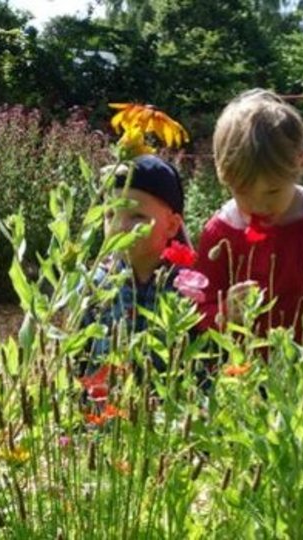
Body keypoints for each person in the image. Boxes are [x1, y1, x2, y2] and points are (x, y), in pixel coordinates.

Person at [193, 89, 303, 346]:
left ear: (301, 163)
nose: (258, 205)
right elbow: (199, 311)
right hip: (244, 375)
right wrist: (224, 312)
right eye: (242, 191)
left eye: (272, 191)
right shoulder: (221, 233)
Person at [79, 154, 202, 401]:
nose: (119, 227)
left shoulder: (188, 289)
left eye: (137, 217)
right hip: (104, 421)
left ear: (171, 225)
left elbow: (202, 370)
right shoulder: (96, 285)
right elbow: (79, 362)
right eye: (110, 215)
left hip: (168, 423)